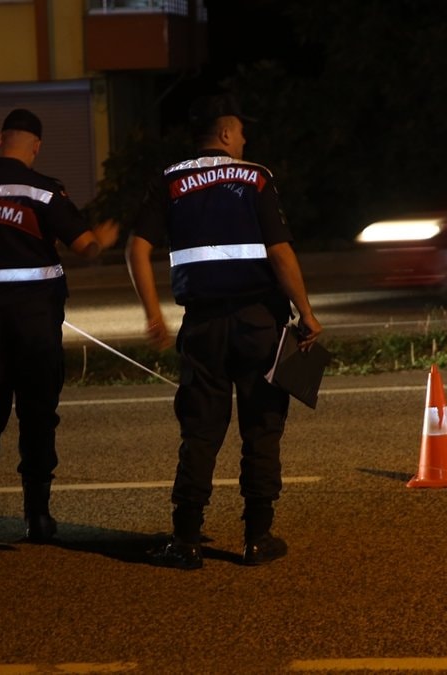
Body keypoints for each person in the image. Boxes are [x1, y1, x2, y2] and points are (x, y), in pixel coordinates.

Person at [125, 93, 323, 570]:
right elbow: (280, 253)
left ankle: (186, 539)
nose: (245, 140)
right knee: (262, 427)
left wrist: (154, 315)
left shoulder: (169, 181)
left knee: (200, 430)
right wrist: (306, 313)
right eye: (242, 132)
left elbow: (136, 249)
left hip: (203, 325)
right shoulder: (256, 177)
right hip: (259, 323)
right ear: (227, 133)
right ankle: (257, 538)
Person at [0, 108, 119, 545]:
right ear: (35, 146)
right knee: (37, 416)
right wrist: (102, 240)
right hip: (36, 326)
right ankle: (37, 519)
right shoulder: (43, 191)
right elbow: (85, 246)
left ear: (1, 139)